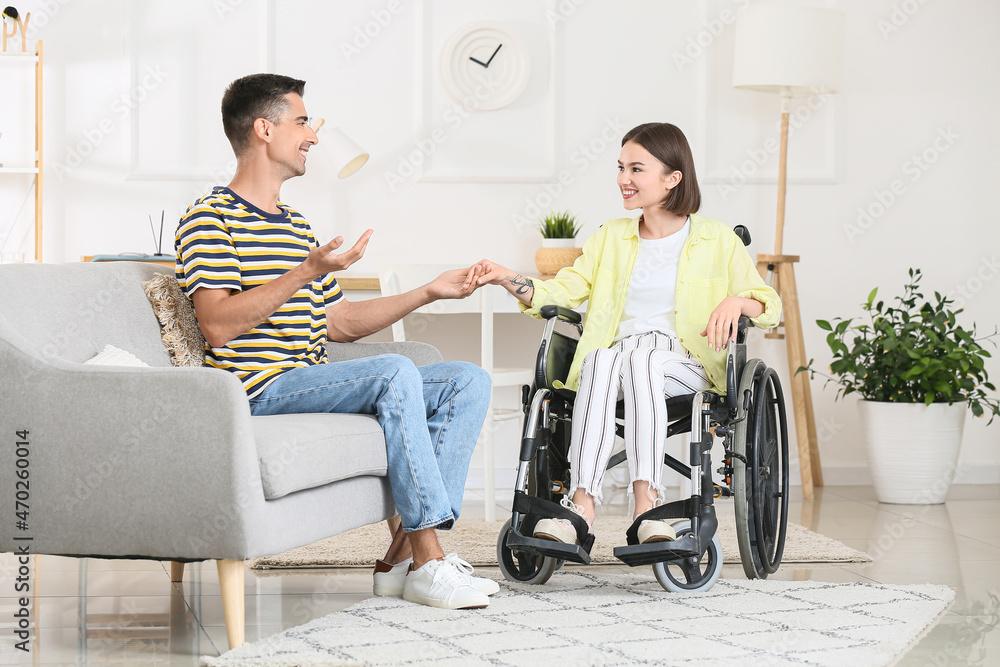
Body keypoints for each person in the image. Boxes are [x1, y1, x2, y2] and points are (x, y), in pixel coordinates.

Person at [174, 73, 497, 610]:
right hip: (257, 389)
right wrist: (303, 273)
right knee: (393, 371)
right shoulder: (210, 218)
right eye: (301, 122)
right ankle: (430, 561)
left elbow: (340, 323)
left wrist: (429, 292)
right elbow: (217, 324)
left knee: (466, 380)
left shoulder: (295, 225)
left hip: (307, 377)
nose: (313, 137)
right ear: (262, 129)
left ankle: (398, 562)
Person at [468, 122, 780, 546]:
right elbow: (561, 292)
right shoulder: (611, 237)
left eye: (636, 169)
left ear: (673, 178)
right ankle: (581, 507)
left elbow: (769, 306)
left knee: (641, 358)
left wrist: (736, 302)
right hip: (615, 363)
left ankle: (646, 505)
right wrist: (509, 278)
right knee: (599, 357)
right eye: (620, 168)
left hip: (685, 362)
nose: (623, 179)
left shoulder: (717, 239)